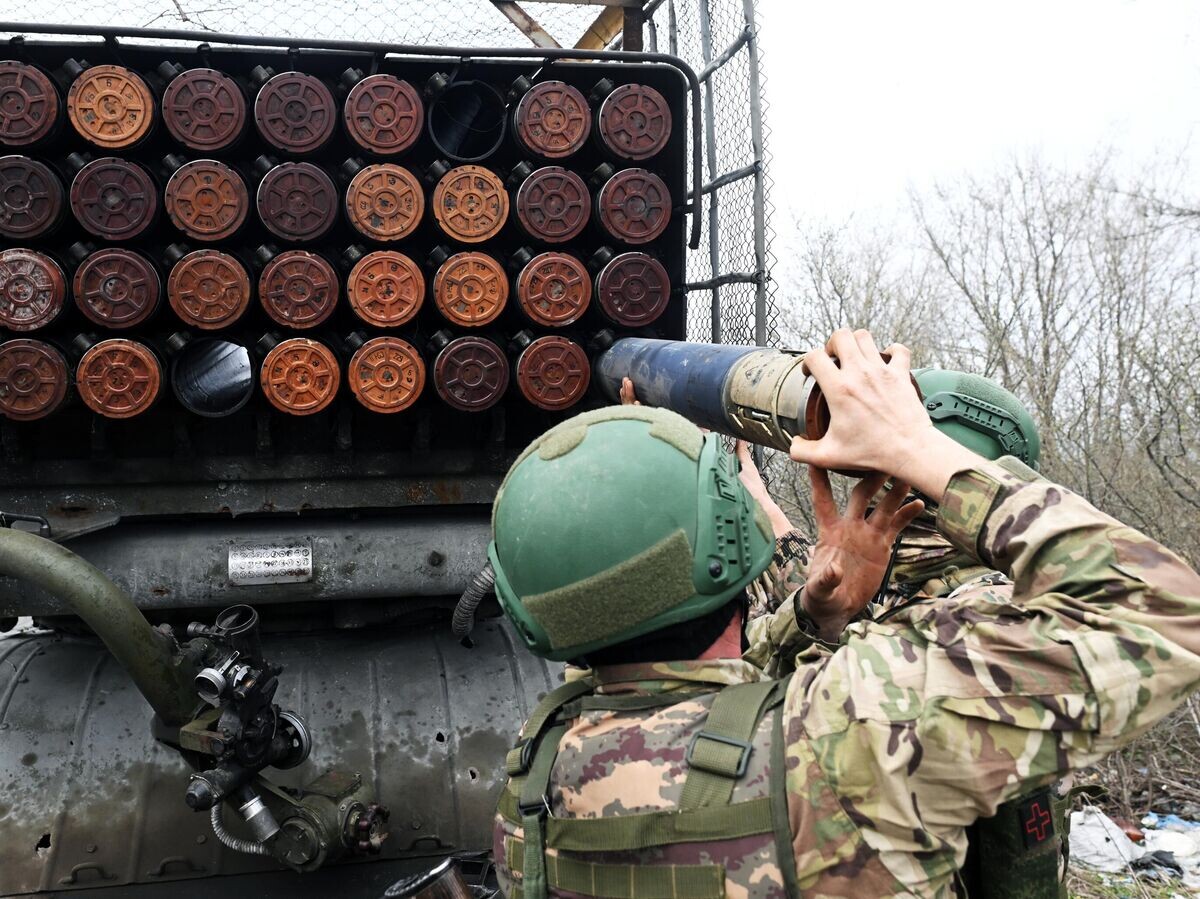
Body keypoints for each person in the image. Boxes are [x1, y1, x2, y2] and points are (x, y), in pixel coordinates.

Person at [487, 329, 1200, 897]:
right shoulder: (854, 726)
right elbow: (1164, 609)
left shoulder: (533, 775)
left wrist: (810, 613)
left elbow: (707, 696)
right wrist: (919, 449)